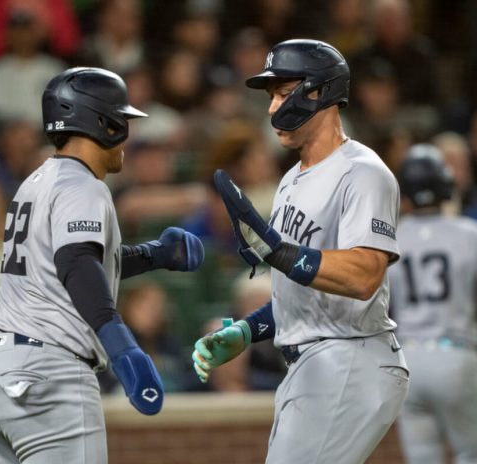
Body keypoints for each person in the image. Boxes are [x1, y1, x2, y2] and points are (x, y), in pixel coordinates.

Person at [0, 67, 205, 463]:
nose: (128, 131)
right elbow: (76, 265)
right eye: (123, 119)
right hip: (48, 376)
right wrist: (125, 350)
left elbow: (71, 261)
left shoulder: (36, 181)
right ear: (102, 123)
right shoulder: (82, 184)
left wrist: (155, 255)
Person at [192, 39, 408, 464]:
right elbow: (303, 284)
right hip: (311, 363)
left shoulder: (362, 173)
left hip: (348, 357)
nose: (273, 107)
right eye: (270, 95)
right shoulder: (291, 180)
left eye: (281, 91)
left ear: (318, 91)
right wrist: (247, 332)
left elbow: (364, 275)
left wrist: (278, 252)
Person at [388, 144, 477, 464]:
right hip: (456, 351)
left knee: (423, 459)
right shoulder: (470, 233)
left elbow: (383, 311)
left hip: (408, 359)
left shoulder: (390, 239)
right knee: (476, 455)